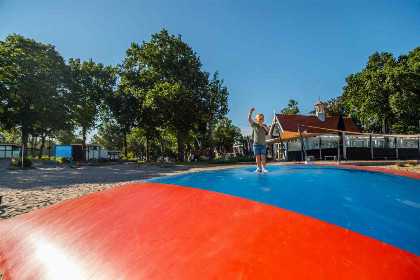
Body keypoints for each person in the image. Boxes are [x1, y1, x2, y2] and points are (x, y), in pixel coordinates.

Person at [248, 108, 270, 172]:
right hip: (256, 144)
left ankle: (264, 168)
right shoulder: (255, 125)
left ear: (263, 120)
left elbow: (268, 130)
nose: (260, 118)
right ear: (256, 119)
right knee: (257, 156)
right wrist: (251, 112)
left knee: (263, 156)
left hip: (263, 144)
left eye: (262, 117)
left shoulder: (264, 125)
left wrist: (263, 126)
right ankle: (258, 167)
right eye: (259, 117)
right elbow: (249, 119)